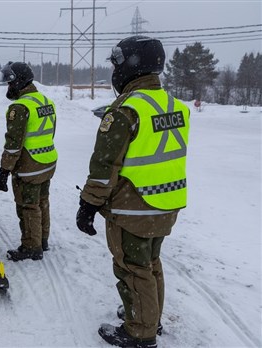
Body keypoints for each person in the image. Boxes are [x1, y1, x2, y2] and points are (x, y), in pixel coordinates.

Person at [76, 35, 190, 348]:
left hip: (134, 205)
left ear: (131, 65)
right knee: (151, 264)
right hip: (167, 201)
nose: (115, 70)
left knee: (132, 266)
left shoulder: (126, 111)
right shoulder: (174, 105)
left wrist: (88, 205)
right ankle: (149, 315)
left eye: (117, 64)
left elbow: (104, 166)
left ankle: (141, 330)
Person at [0, 61, 58, 262]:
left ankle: (31, 246)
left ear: (19, 82)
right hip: (48, 161)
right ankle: (43, 240)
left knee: (28, 206)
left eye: (9, 83)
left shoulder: (20, 107)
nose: (8, 87)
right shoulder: (45, 101)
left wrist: (4, 170)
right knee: (42, 201)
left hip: (29, 165)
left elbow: (13, 144)